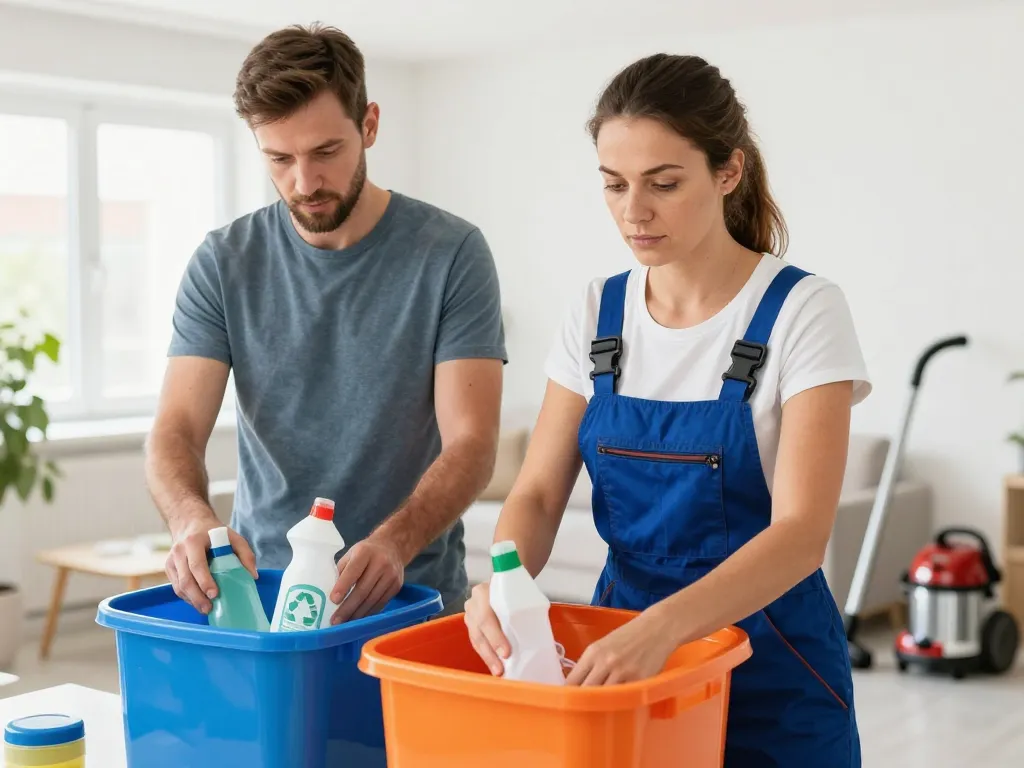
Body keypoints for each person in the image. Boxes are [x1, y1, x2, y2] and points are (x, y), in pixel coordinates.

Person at [464, 53, 869, 766]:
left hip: (773, 675)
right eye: (614, 185)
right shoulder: (596, 311)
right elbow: (534, 491)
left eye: (664, 183)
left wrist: (664, 629)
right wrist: (502, 583)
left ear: (728, 172)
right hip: (623, 665)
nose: (633, 212)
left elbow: (803, 533)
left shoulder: (802, 310)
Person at [146, 23, 506, 624]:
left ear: (369, 125)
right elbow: (177, 427)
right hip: (259, 595)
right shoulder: (224, 261)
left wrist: (397, 540)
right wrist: (191, 519)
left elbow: (472, 442)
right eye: (279, 159)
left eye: (325, 152)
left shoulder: (451, 253)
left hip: (408, 590)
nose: (304, 182)